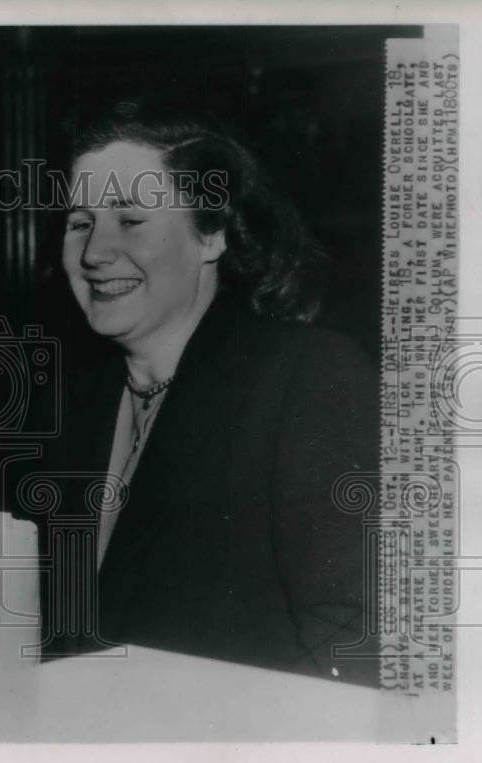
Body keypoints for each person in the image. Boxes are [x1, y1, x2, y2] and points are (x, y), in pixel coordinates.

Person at [29, 101, 379, 686]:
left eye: (131, 219)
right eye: (80, 222)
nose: (93, 252)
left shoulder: (306, 377)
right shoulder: (69, 408)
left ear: (211, 233)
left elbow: (354, 644)